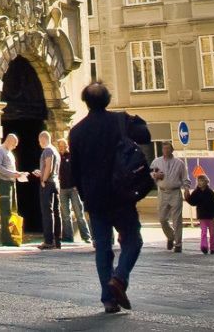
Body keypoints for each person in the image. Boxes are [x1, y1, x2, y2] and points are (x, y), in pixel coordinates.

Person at [69, 80, 149, 314]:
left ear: (85, 101)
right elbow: (145, 134)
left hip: (95, 198)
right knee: (133, 240)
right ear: (108, 100)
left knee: (103, 248)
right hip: (121, 194)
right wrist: (132, 120)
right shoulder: (119, 120)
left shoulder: (77, 131)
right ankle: (120, 278)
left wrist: (85, 197)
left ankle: (108, 299)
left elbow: (75, 171)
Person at [150, 141, 190, 252]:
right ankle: (170, 236)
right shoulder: (156, 162)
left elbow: (185, 177)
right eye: (164, 149)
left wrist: (186, 189)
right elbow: (149, 173)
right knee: (162, 219)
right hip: (162, 192)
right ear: (162, 150)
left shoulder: (179, 163)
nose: (166, 151)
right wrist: (155, 175)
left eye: (168, 148)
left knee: (177, 219)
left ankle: (178, 244)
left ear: (172, 150)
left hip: (175, 192)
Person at [57, 136, 91, 244]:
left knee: (79, 214)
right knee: (65, 215)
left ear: (67, 146)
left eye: (63, 146)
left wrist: (78, 185)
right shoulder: (58, 158)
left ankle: (86, 236)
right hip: (62, 189)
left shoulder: (72, 157)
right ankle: (68, 237)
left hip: (73, 189)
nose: (62, 148)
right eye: (60, 146)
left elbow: (79, 171)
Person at [32, 129, 62, 249]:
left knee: (47, 212)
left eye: (40, 141)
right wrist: (41, 173)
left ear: (43, 139)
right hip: (55, 183)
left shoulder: (48, 150)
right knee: (56, 212)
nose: (39, 143)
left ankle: (48, 241)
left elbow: (49, 166)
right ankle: (57, 241)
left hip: (48, 183)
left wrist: (43, 179)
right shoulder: (56, 151)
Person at [185, 173, 214, 255]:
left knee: (212, 233)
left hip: (211, 216)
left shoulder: (210, 192)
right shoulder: (196, 192)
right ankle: (204, 246)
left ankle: (213, 248)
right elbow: (192, 202)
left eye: (202, 181)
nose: (200, 183)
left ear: (206, 182)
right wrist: (187, 196)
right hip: (202, 216)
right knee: (203, 232)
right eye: (198, 181)